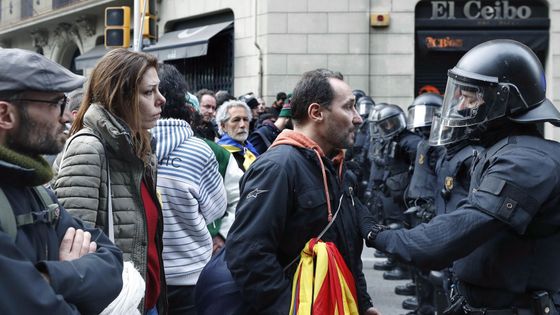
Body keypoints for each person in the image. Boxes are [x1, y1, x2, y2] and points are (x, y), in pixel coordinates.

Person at [362, 39, 560, 315]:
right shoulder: (501, 150)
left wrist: (376, 233)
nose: (461, 106)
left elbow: (453, 234)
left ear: (503, 99)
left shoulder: (527, 161)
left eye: (471, 96)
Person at [198, 69, 380, 314]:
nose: (357, 118)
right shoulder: (277, 167)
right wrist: (290, 308)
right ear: (316, 113)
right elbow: (248, 254)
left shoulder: (335, 167)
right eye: (348, 107)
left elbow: (346, 248)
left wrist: (361, 302)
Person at [0, 48, 123, 314]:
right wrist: (74, 281)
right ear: (5, 115)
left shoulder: (37, 190)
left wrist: (51, 277)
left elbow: (111, 262)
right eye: (57, 103)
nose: (66, 116)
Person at [52, 48, 167, 314]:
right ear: (120, 97)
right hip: (114, 304)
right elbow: (73, 251)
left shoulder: (141, 148)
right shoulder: (89, 148)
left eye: (158, 90)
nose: (161, 99)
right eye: (148, 92)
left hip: (144, 301)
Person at [154, 64, 228, 315]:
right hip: (189, 273)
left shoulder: (125, 147)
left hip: (142, 273)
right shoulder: (199, 151)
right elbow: (216, 208)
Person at [216, 100, 259, 172]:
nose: (242, 125)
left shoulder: (250, 148)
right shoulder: (219, 155)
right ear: (223, 126)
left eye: (245, 119)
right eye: (236, 120)